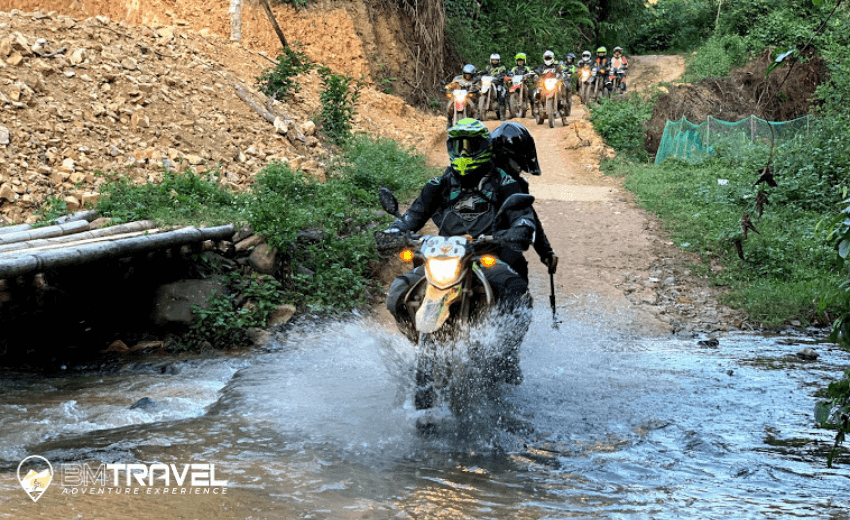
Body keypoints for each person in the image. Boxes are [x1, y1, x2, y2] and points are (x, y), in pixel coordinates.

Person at [382, 118, 535, 383]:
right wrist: (395, 231)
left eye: (471, 146)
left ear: (485, 147)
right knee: (397, 292)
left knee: (514, 290)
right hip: (444, 256)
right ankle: (416, 340)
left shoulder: (504, 182)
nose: (463, 153)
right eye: (458, 146)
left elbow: (523, 216)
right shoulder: (438, 184)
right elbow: (412, 217)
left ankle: (506, 355)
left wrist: (518, 229)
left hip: (484, 256)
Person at [490, 121, 558, 281]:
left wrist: (545, 251)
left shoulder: (514, 184)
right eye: (519, 159)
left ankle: (517, 305)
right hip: (465, 242)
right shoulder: (477, 176)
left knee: (516, 267)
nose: (521, 166)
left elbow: (529, 216)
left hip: (498, 241)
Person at [483, 53, 508, 120]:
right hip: (488, 83)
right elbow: (484, 72)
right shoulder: (488, 67)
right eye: (493, 60)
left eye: (496, 60)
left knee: (501, 95)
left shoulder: (502, 67)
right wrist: (479, 74)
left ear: (498, 60)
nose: (495, 61)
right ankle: (479, 113)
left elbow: (503, 73)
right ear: (491, 60)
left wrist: (501, 76)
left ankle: (502, 115)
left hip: (498, 84)